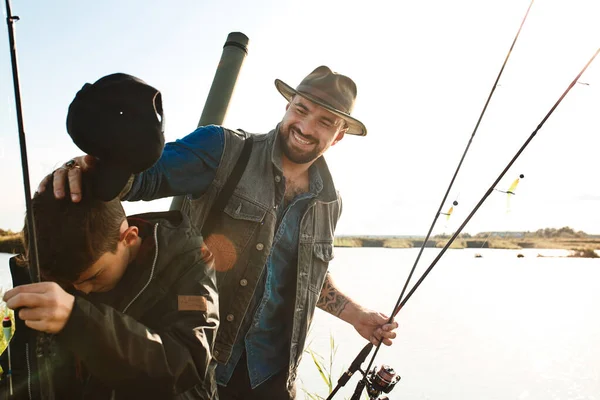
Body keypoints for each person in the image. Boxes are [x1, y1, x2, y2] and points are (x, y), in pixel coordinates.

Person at [42, 66, 399, 399]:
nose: (306, 126)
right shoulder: (222, 149)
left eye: (325, 121)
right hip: (198, 371)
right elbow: (140, 177)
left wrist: (358, 316)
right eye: (301, 109)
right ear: (288, 105)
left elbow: (307, 275)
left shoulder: (330, 201)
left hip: (273, 381)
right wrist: (82, 170)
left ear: (338, 136)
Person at [1, 73, 220, 399]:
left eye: (93, 277)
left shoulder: (190, 266)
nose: (82, 291)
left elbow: (186, 360)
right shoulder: (59, 264)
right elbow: (26, 365)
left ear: (130, 237)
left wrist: (77, 320)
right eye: (73, 287)